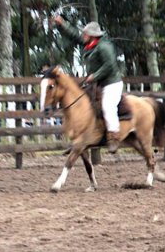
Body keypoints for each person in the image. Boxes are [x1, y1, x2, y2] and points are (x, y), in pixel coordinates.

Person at [52, 15, 123, 152]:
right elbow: (75, 36)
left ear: (92, 35)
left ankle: (114, 136)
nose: (83, 35)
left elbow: (110, 65)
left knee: (108, 107)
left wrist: (94, 76)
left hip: (111, 84)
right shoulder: (90, 44)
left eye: (85, 33)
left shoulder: (104, 47)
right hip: (98, 83)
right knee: (82, 105)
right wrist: (62, 24)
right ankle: (81, 139)